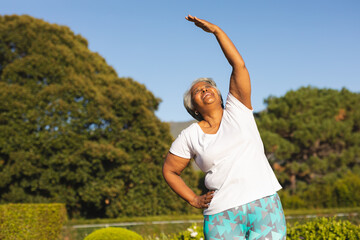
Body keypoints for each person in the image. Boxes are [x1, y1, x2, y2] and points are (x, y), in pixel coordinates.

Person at [162, 15, 286, 240]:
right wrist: (193, 199)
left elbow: (238, 65)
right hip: (222, 215)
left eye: (209, 86)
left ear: (219, 94)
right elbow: (170, 171)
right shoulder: (189, 135)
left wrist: (217, 32)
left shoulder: (238, 109)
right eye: (197, 91)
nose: (205, 89)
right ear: (194, 107)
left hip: (265, 206)